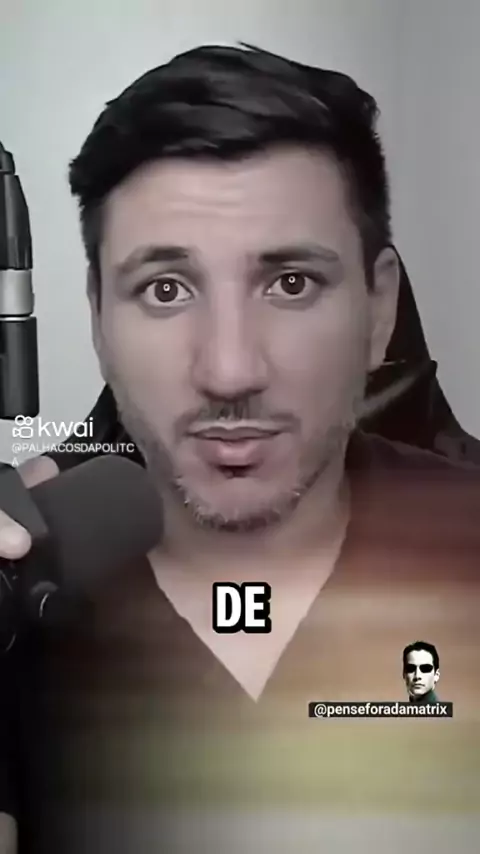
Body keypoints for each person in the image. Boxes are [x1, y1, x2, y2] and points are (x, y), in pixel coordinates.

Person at [0, 44, 479, 854]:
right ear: (98, 319)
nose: (229, 370)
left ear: (379, 309)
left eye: (291, 283)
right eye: (165, 289)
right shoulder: (23, 601)